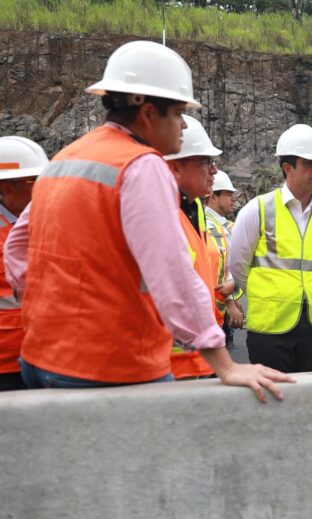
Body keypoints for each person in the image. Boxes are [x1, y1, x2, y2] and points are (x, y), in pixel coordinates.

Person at [3, 40, 292, 401]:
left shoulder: (66, 158)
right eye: (179, 113)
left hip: (41, 356)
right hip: (110, 367)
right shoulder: (142, 166)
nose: (184, 126)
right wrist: (225, 364)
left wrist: (55, 311)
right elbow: (173, 272)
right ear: (149, 113)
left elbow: (17, 247)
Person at [230, 124, 312, 373]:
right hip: (270, 328)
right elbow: (238, 266)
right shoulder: (258, 209)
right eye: (309, 163)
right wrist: (270, 295)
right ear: (288, 168)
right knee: (274, 402)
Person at [163, 115, 226, 379]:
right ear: (176, 168)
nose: (214, 171)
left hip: (201, 356)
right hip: (170, 366)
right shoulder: (160, 212)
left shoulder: (195, 208)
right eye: (205, 162)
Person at [0, 137, 47, 391]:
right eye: (34, 182)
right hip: (6, 363)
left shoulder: (41, 218)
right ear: (6, 187)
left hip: (40, 355)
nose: (43, 188)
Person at [205, 170, 244, 348]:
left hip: (217, 310)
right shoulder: (208, 226)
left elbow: (225, 267)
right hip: (211, 312)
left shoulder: (220, 226)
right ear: (214, 196)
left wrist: (233, 298)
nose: (233, 199)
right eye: (229, 194)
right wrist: (229, 302)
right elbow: (213, 269)